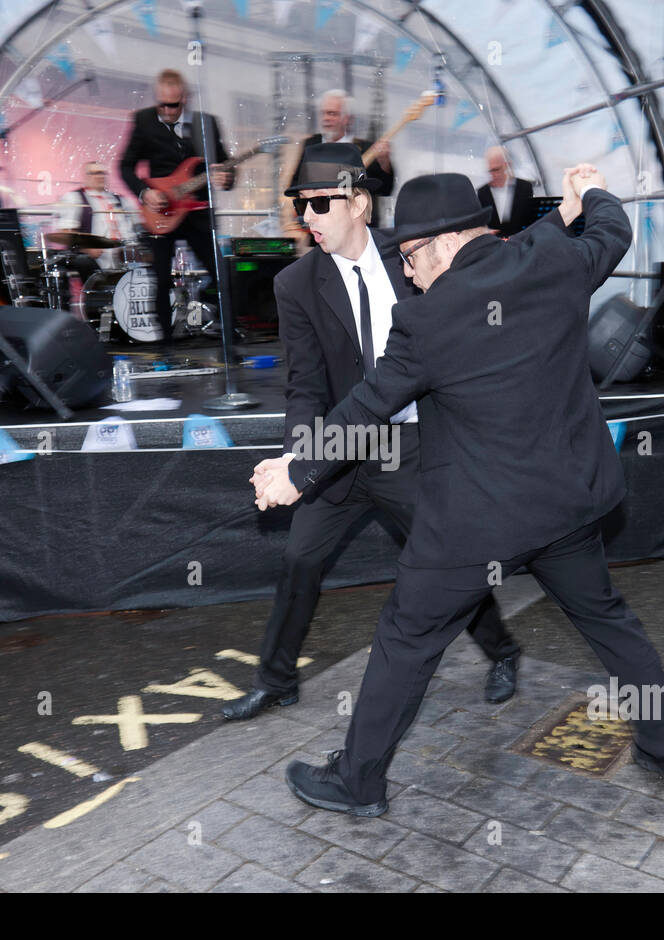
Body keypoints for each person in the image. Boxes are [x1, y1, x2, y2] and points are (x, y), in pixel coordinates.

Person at [253, 165, 664, 817]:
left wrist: (297, 471)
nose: (406, 272)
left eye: (409, 256)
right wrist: (586, 196)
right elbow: (615, 228)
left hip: (476, 524)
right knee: (610, 623)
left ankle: (357, 780)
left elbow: (365, 408)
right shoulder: (554, 260)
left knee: (407, 638)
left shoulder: (427, 321)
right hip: (569, 505)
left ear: (441, 242)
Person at [221, 142, 521, 724]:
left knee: (446, 560)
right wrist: (298, 461)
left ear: (358, 202)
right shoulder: (297, 283)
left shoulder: (415, 254)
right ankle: (276, 680)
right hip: (338, 447)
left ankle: (503, 651)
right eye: (301, 206)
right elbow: (305, 384)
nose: (307, 218)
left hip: (408, 446)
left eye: (318, 204)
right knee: (300, 561)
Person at [119, 69, 234, 352]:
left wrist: (226, 178)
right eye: (162, 105)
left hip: (196, 211)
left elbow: (225, 165)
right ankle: (165, 346)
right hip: (160, 212)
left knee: (221, 274)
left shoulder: (205, 123)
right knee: (160, 277)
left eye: (173, 105)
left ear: (185, 98)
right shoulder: (143, 120)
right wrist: (146, 193)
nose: (167, 111)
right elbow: (124, 165)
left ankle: (228, 335)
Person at [283, 90, 394, 238]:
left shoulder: (365, 149)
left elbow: (385, 189)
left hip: (357, 232)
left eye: (332, 114)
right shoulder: (311, 145)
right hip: (319, 233)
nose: (326, 118)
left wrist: (384, 162)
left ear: (347, 119)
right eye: (323, 113)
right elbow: (296, 184)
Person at [57, 161, 137, 281]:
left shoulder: (120, 200)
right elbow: (66, 233)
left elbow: (132, 230)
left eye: (102, 173)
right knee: (83, 263)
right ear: (86, 177)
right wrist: (87, 248)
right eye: (94, 173)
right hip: (93, 257)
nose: (99, 176)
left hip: (121, 255)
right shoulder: (74, 198)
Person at [476, 146, 535, 237]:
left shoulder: (525, 187)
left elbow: (530, 219)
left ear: (507, 165)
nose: (493, 174)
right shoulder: (482, 192)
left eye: (496, 169)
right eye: (490, 171)